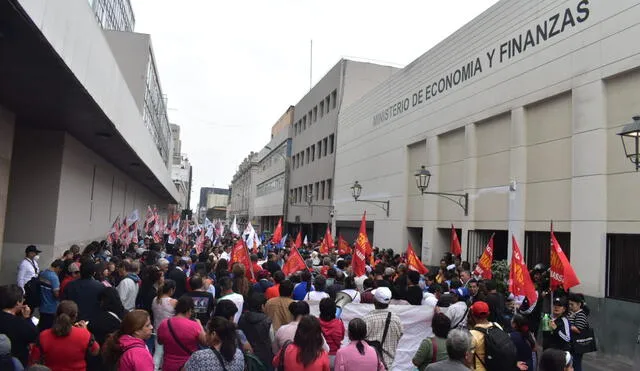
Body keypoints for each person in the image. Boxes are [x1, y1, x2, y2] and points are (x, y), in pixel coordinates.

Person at [30, 300, 100, 371]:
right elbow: (95, 351)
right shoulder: (84, 335)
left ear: (56, 314)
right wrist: (86, 331)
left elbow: (34, 360)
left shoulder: (44, 336)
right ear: (75, 317)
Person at [156, 296, 207, 371]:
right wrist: (200, 325)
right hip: (188, 365)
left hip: (168, 365)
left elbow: (159, 342)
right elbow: (205, 342)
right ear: (189, 310)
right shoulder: (194, 325)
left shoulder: (164, 323)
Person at [362, 287, 403, 369]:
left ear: (374, 300)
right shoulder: (397, 320)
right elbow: (399, 336)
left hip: (370, 365)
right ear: (389, 301)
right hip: (388, 365)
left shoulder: (366, 320)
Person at [0, 284, 38, 367]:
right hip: (15, 362)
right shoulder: (21, 324)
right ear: (17, 303)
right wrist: (27, 318)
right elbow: (33, 336)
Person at [238, 293, 274, 371]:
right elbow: (272, 340)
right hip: (265, 355)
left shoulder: (242, 318)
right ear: (262, 306)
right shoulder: (267, 320)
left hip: (247, 355)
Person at [151, 279, 176, 370]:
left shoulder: (155, 299)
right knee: (165, 353)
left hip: (157, 330)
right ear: (171, 290)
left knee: (158, 352)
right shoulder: (173, 302)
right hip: (170, 331)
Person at [37, 259, 64, 331]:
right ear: (58, 267)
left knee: (42, 327)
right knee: (49, 329)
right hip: (51, 307)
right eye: (60, 270)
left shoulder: (43, 273)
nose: (59, 272)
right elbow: (56, 294)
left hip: (42, 305)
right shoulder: (54, 277)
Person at [318, 298, 344, 366]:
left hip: (319, 356)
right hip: (334, 357)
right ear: (334, 310)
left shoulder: (315, 322)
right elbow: (341, 338)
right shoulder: (339, 323)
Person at [568, 293, 589, 371]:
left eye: (572, 305)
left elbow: (578, 329)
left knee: (576, 363)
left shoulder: (581, 315)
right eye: (569, 304)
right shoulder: (571, 313)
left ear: (579, 304)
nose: (570, 306)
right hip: (571, 343)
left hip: (577, 344)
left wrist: (567, 325)